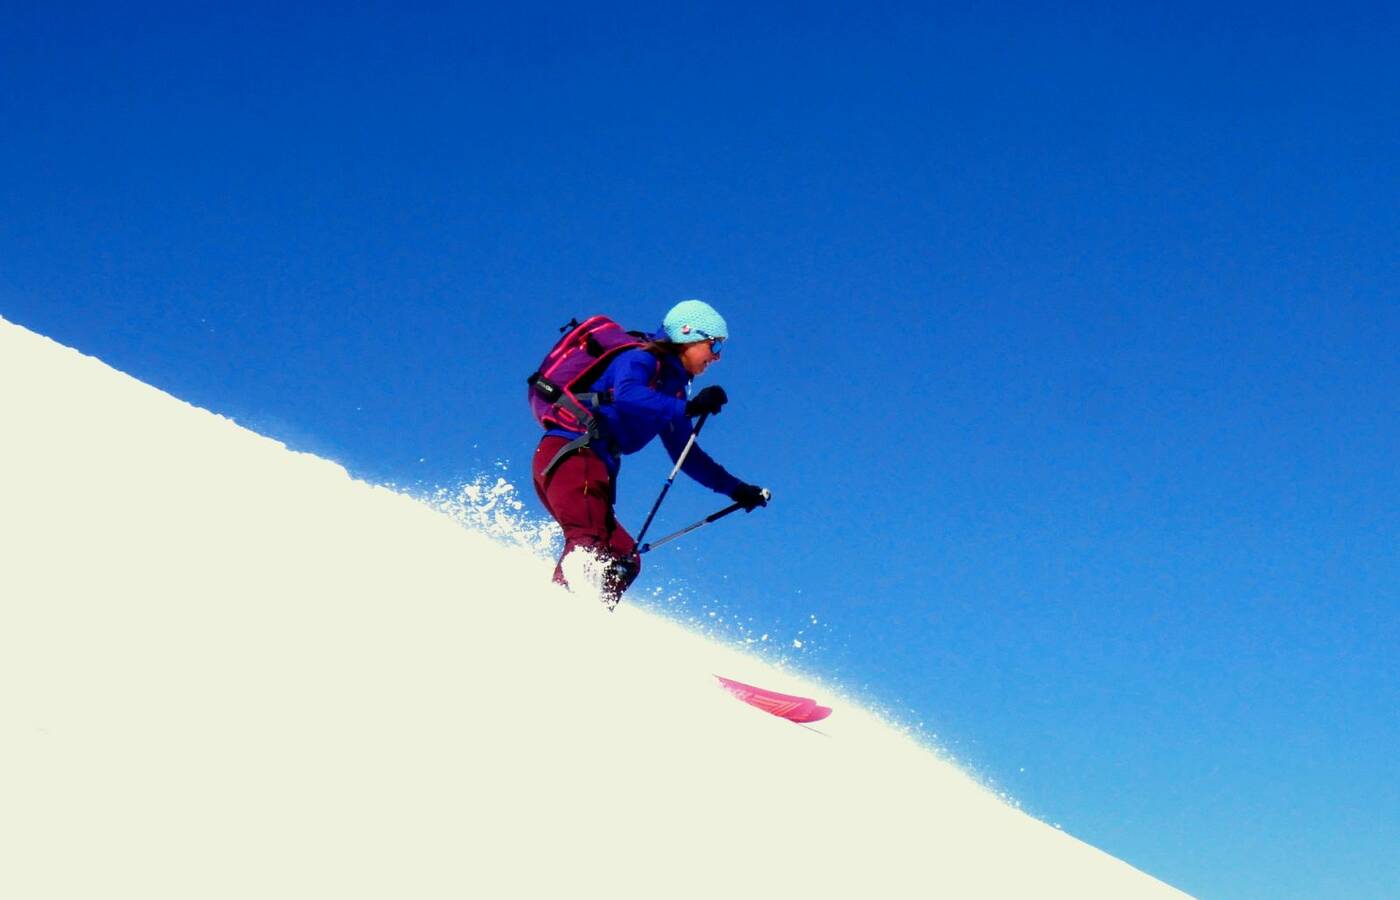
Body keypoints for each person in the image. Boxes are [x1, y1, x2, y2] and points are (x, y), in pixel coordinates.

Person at [531, 299, 768, 607]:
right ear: (687, 335)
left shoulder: (672, 392)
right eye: (714, 345)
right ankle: (558, 618)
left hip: (589, 467)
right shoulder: (641, 359)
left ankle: (590, 620)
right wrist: (688, 408)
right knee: (586, 545)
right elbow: (628, 394)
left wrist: (737, 489)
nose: (717, 357)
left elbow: (688, 456)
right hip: (573, 454)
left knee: (622, 556)